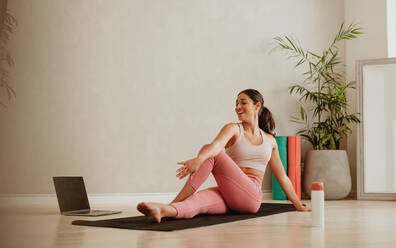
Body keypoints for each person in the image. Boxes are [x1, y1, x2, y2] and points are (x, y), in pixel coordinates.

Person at [137, 89, 312, 223]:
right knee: (196, 203)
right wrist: (201, 158)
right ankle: (163, 211)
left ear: (257, 106)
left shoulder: (270, 141)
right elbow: (217, 145)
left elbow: (282, 177)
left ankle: (169, 204)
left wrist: (298, 205)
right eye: (236, 103)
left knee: (210, 152)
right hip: (230, 194)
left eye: (243, 103)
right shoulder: (234, 129)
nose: (237, 107)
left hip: (251, 198)